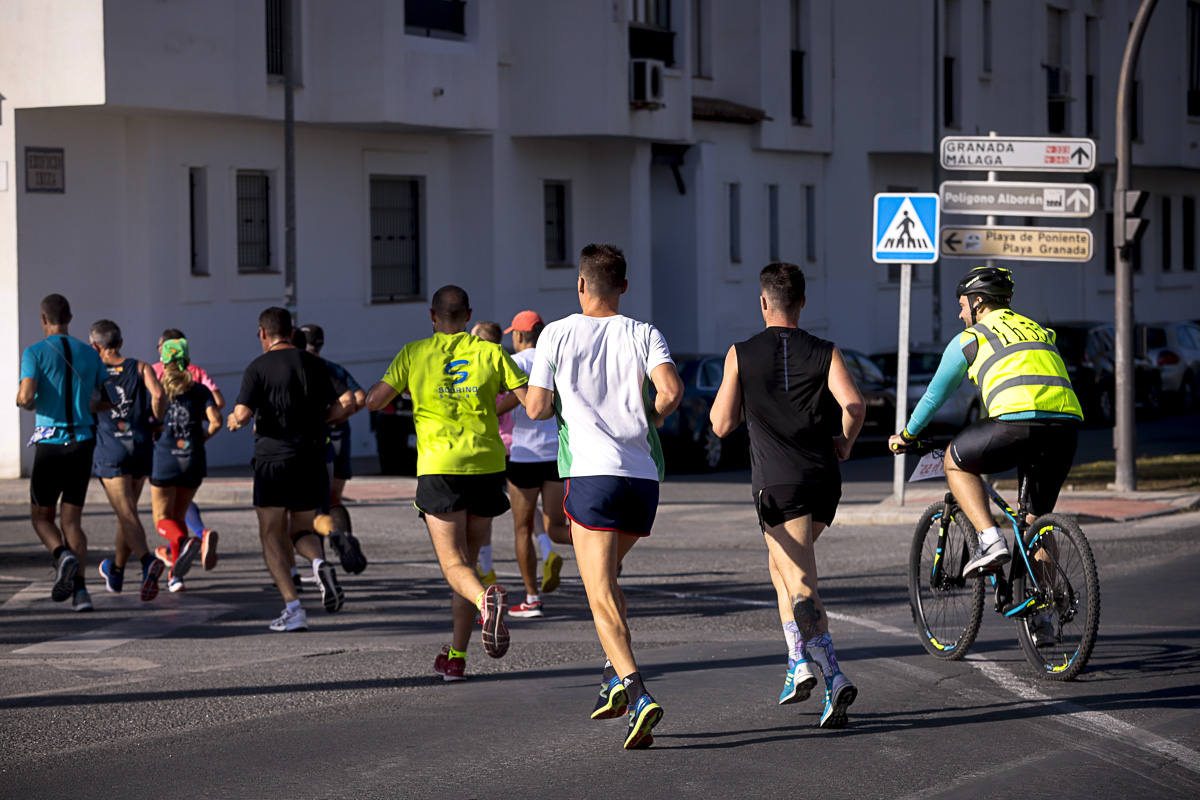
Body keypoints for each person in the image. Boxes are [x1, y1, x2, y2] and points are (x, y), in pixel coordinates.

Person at [524, 244, 683, 750]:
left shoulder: (556, 332)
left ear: (580, 284)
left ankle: (636, 691)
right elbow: (672, 392)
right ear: (624, 287)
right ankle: (613, 677)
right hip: (641, 478)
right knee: (608, 580)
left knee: (596, 592)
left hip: (591, 475)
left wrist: (543, 398)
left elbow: (536, 408)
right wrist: (649, 419)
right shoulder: (643, 331)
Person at [889, 265, 1083, 646]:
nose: (960, 314)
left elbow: (934, 396)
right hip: (1065, 428)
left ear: (978, 303)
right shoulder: (1039, 330)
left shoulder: (971, 337)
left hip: (1015, 424)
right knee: (1034, 520)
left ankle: (990, 539)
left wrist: (907, 436)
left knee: (954, 460)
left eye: (962, 305)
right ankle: (1043, 613)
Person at [709, 262, 866, 729]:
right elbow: (854, 405)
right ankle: (797, 661)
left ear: (763, 302)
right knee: (780, 566)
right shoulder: (826, 350)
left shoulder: (741, 353)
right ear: (801, 302)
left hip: (779, 484)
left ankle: (833, 675)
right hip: (823, 480)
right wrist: (846, 441)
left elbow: (720, 423)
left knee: (799, 582)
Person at [366, 286, 528, 681]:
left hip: (439, 464)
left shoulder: (414, 353)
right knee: (467, 565)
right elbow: (529, 399)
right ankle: (456, 656)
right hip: (486, 465)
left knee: (454, 565)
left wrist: (398, 390)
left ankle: (486, 604)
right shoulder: (491, 352)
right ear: (468, 315)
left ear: (432, 316)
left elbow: (374, 401)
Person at [227, 307, 355, 631]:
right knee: (300, 530)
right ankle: (318, 562)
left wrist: (233, 420)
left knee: (271, 533)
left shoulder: (257, 367)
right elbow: (350, 401)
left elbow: (242, 415)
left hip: (273, 459)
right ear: (291, 331)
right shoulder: (314, 363)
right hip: (310, 457)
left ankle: (294, 608)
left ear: (262, 333)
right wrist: (322, 420)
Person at [17, 294, 112, 611]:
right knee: (72, 520)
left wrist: (25, 401)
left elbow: (26, 395)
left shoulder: (34, 352)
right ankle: (81, 593)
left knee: (42, 518)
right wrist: (84, 405)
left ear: (43, 319)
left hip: (51, 442)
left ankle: (63, 555)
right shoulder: (90, 353)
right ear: (70, 317)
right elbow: (107, 399)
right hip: (83, 441)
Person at [498, 310, 570, 618]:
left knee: (522, 529)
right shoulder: (554, 360)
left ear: (518, 336)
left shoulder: (515, 364)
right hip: (555, 454)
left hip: (525, 454)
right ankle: (606, 549)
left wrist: (490, 407)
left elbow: (514, 402)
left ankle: (531, 598)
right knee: (555, 527)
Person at [89, 319, 167, 601]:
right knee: (129, 511)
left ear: (95, 346)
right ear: (120, 343)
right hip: (140, 445)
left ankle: (148, 561)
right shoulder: (141, 367)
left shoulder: (94, 370)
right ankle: (117, 571)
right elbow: (158, 394)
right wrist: (157, 418)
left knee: (125, 513)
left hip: (111, 448)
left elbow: (88, 404)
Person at [150, 338, 222, 592]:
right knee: (179, 515)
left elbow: (150, 420)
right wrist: (203, 437)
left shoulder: (157, 389)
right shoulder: (200, 391)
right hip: (193, 459)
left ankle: (181, 540)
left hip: (165, 459)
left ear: (164, 360)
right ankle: (175, 577)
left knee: (162, 518)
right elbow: (216, 421)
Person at [299, 323, 368, 575]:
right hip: (339, 437)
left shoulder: (301, 368)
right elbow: (359, 397)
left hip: (311, 441)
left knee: (303, 507)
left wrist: (325, 419)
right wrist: (338, 418)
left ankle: (318, 561)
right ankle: (345, 539)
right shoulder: (333, 368)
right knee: (333, 499)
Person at [468, 320, 507, 587]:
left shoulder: (481, 367)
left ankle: (479, 573)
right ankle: (486, 568)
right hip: (498, 453)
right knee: (485, 516)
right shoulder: (503, 364)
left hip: (476, 452)